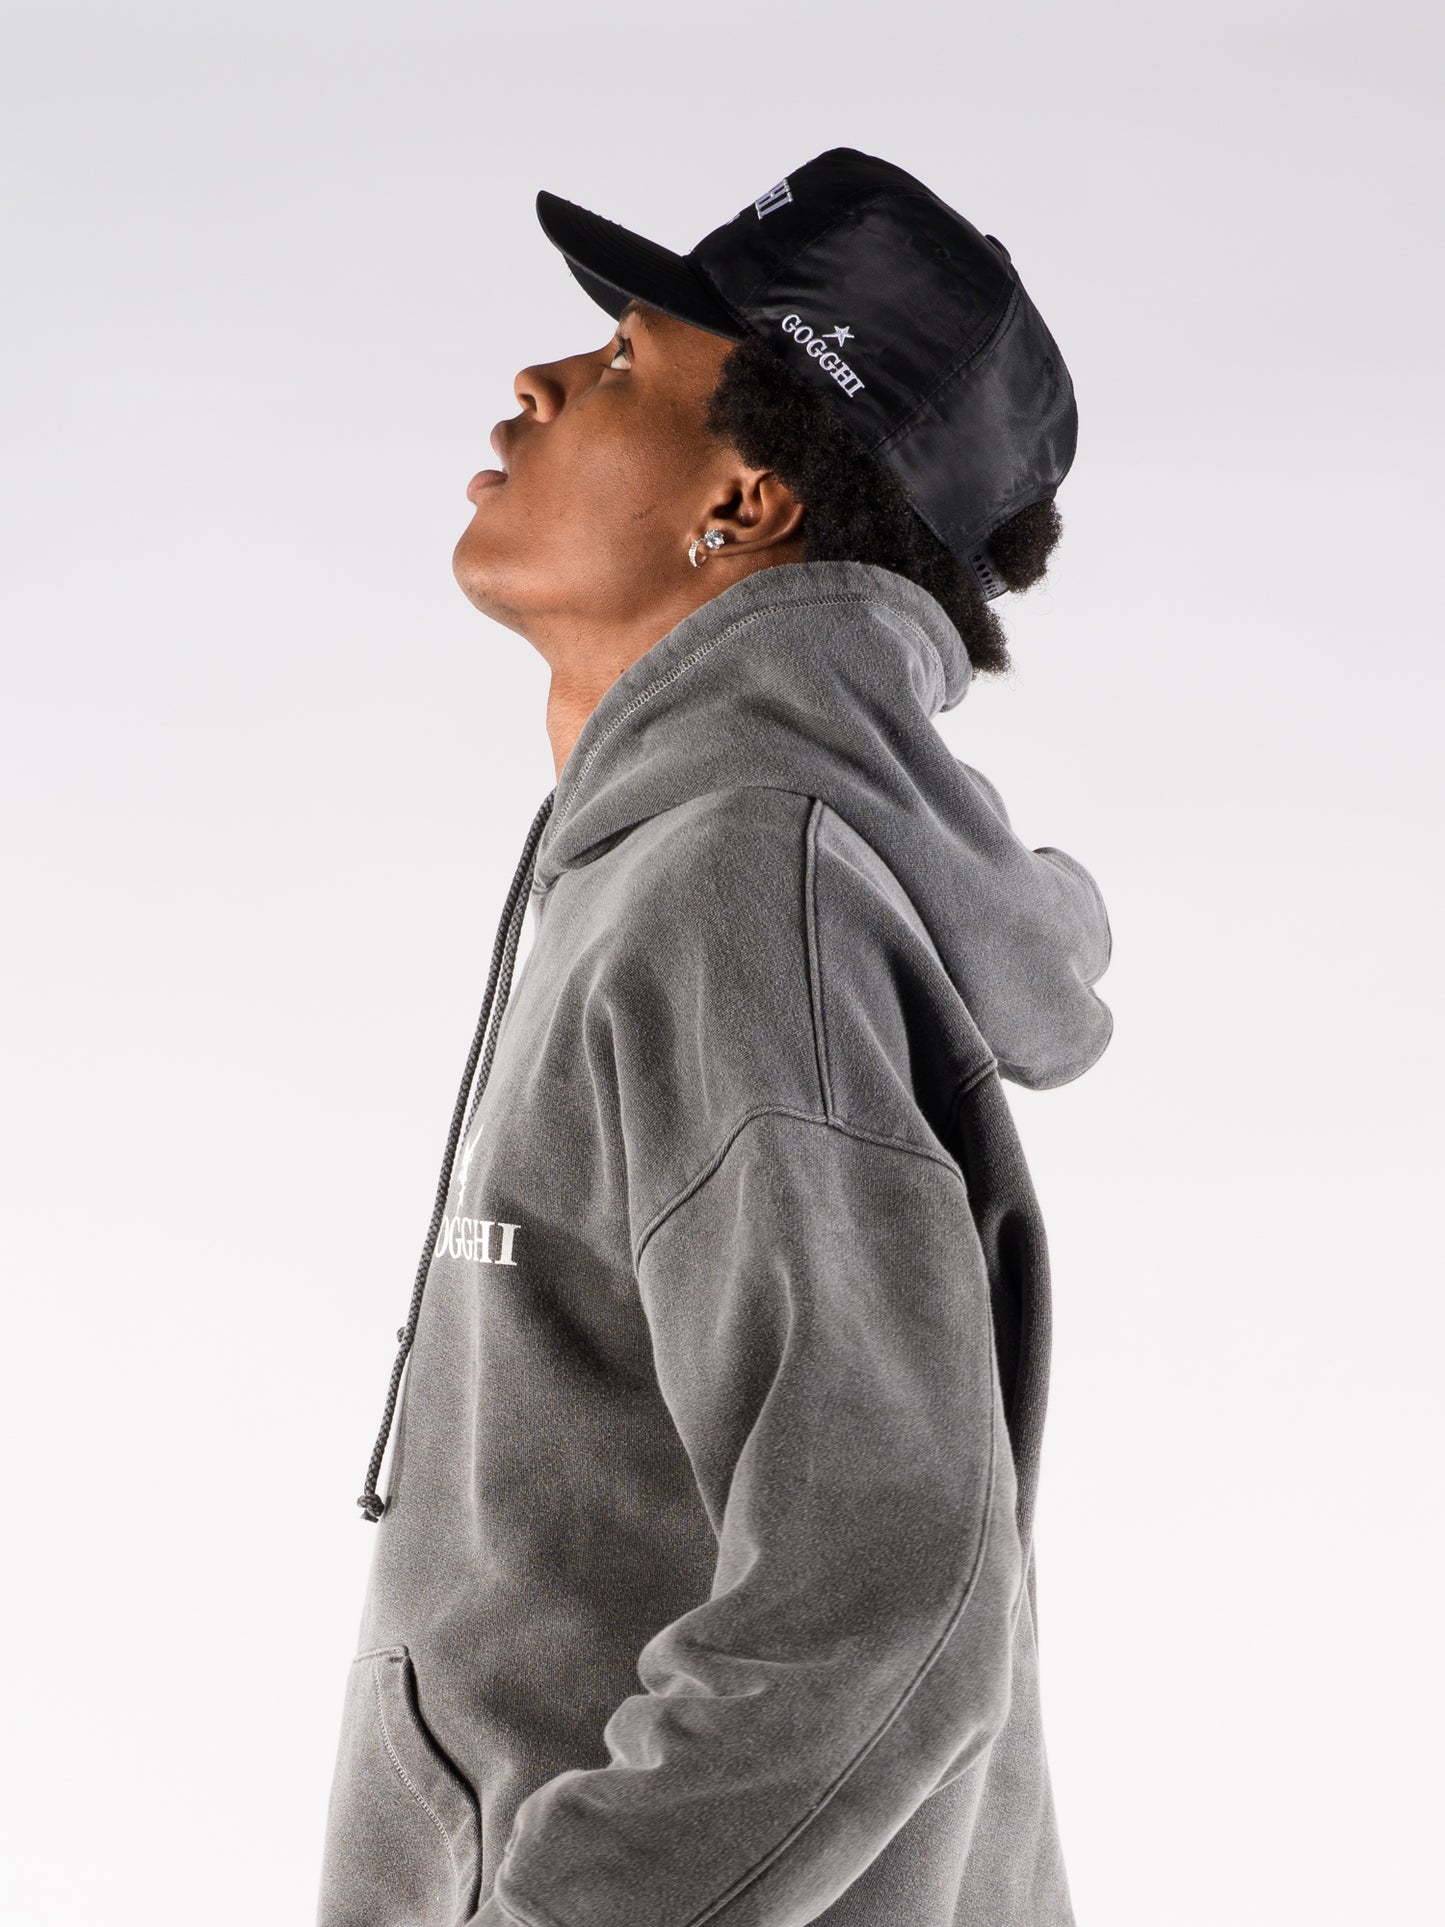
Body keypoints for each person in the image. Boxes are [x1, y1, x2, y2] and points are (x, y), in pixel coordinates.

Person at [316, 147, 1114, 1927]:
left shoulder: (737, 884)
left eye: (622, 367)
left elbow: (880, 1599)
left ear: (743, 504)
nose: (538, 379)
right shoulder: (684, 864)